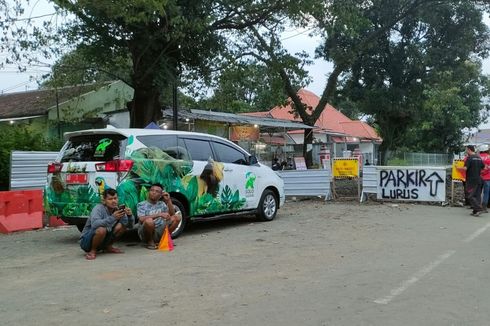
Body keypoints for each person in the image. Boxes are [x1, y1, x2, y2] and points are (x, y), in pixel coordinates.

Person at [80, 188, 133, 260]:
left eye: (115, 198)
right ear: (104, 201)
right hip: (86, 242)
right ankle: (93, 251)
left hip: (103, 239)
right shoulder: (98, 208)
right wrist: (113, 218)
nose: (114, 201)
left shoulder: (118, 210)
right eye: (110, 199)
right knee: (102, 229)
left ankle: (108, 247)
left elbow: (129, 226)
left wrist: (130, 216)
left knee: (121, 226)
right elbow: (95, 224)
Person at [137, 183, 181, 249]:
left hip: (159, 229)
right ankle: (150, 241)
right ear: (149, 192)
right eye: (152, 190)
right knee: (149, 221)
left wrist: (168, 200)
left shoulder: (162, 204)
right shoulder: (141, 205)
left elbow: (172, 215)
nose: (154, 192)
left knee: (177, 217)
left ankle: (164, 239)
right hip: (146, 233)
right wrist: (159, 214)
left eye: (157, 191)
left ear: (160, 195)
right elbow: (141, 219)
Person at [461, 145, 484, 216]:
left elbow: (465, 168)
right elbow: (483, 167)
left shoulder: (470, 158)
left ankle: (479, 208)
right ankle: (475, 211)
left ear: (469, 150)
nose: (466, 151)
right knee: (477, 196)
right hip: (478, 179)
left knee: (470, 195)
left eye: (466, 150)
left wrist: (458, 168)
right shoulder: (479, 158)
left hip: (471, 180)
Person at [479, 144, 490, 212]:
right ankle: (484, 207)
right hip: (488, 178)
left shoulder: (477, 157)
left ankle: (477, 205)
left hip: (479, 177)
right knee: (486, 193)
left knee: (478, 192)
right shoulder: (489, 157)